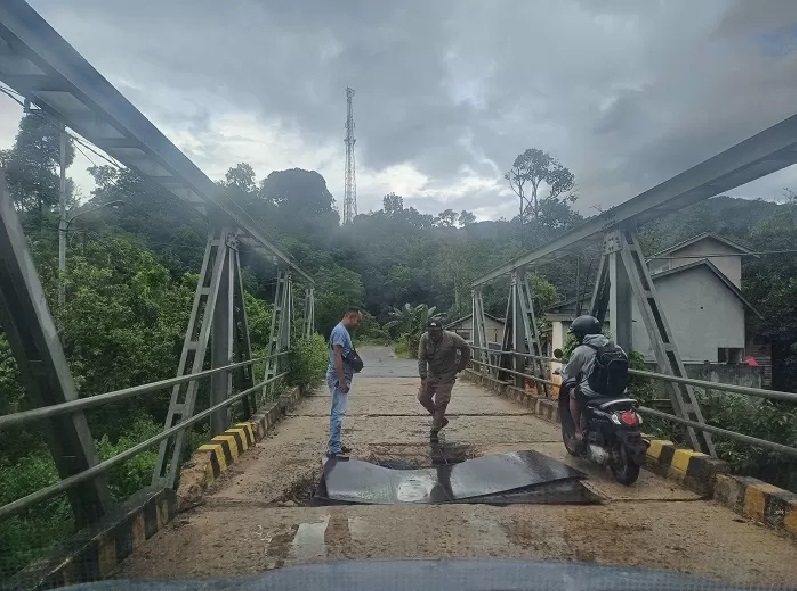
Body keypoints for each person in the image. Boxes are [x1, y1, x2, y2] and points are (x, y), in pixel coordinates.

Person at [561, 314, 617, 442]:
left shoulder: (581, 351)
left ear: (582, 334)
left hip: (593, 391)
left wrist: (562, 373)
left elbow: (570, 372)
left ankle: (578, 430)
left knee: (573, 394)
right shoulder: (615, 347)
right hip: (619, 391)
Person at [417, 319, 471, 440]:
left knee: (441, 402)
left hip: (447, 375)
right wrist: (423, 377)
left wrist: (461, 365)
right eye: (431, 332)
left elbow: (466, 347)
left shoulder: (452, 338)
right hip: (432, 374)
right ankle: (441, 420)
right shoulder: (424, 338)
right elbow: (422, 358)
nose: (433, 334)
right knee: (423, 398)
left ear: (442, 330)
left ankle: (434, 430)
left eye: (436, 332)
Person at [327, 307, 363, 457]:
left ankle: (336, 444)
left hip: (341, 376)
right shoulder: (340, 332)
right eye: (357, 321)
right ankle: (334, 448)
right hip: (338, 377)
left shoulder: (342, 331)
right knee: (338, 412)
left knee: (339, 411)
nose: (358, 324)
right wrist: (341, 379)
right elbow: (337, 356)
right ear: (350, 316)